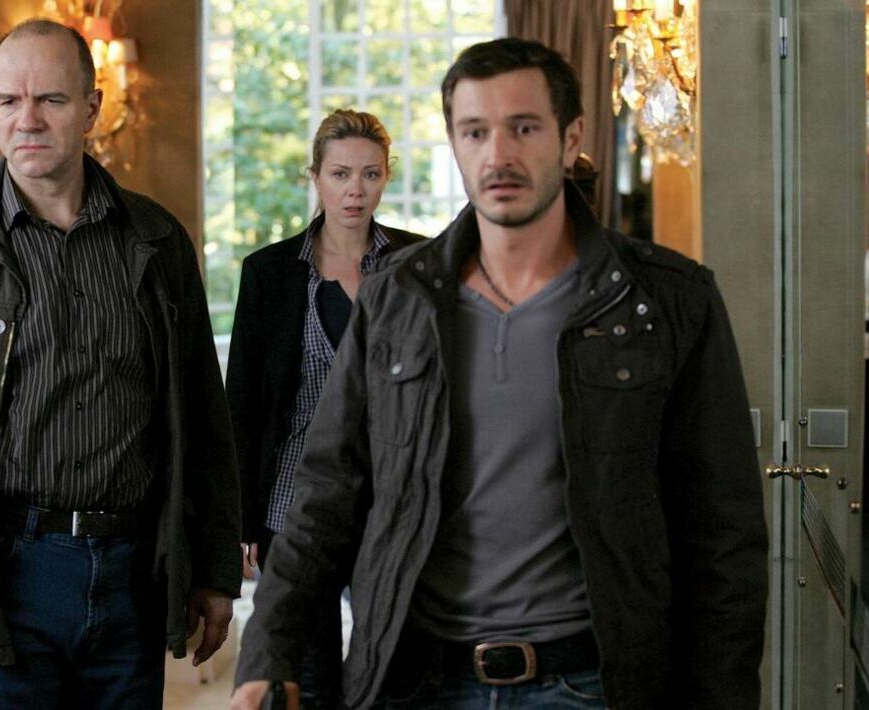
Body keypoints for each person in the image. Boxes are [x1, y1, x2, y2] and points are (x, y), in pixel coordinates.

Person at [232, 37, 766, 709]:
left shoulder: (666, 299)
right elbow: (325, 492)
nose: (498, 155)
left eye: (524, 128)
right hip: (420, 681)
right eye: (475, 132)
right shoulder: (397, 298)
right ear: (455, 145)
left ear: (571, 139)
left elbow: (722, 536)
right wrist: (267, 652)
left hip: (590, 683)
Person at [0, 18, 241, 710]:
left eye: (51, 100)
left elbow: (203, 419)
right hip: (2, 574)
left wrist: (217, 571)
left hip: (132, 573)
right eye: (9, 101)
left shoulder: (157, 240)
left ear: (92, 109)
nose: (28, 120)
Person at [226, 109, 423, 709]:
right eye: (340, 174)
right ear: (315, 177)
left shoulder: (419, 264)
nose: (355, 190)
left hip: (393, 500)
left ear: (386, 176)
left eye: (370, 174)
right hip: (293, 504)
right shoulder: (269, 273)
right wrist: (241, 522)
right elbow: (243, 403)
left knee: (389, 670)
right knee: (304, 678)